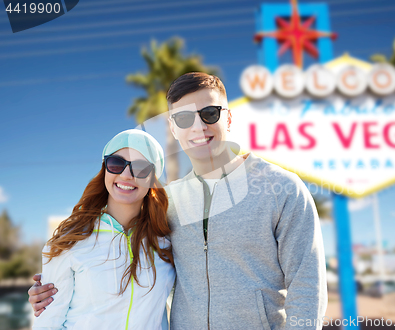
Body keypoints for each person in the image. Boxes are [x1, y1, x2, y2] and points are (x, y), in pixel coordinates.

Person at [29, 72, 327, 329]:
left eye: (210, 113)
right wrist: (51, 287)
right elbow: (117, 252)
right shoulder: (167, 202)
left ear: (229, 117)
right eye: (184, 118)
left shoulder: (280, 188)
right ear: (173, 128)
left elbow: (308, 287)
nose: (198, 127)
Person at [31, 129, 175, 330]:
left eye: (140, 167)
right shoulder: (70, 240)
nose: (126, 175)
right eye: (116, 163)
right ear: (105, 168)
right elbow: (48, 323)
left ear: (152, 178)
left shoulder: (166, 241)